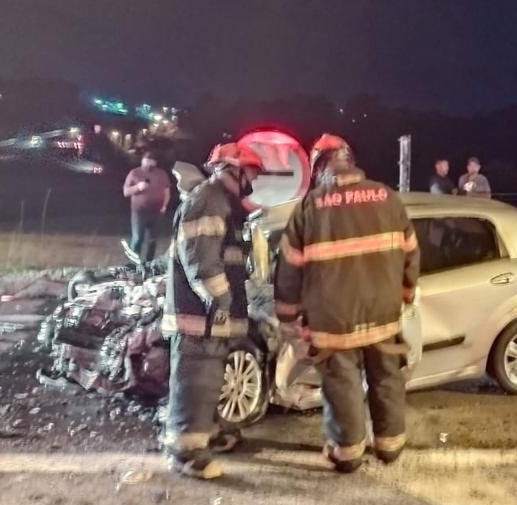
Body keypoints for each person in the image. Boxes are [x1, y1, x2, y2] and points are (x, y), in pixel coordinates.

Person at [274, 134, 420, 474]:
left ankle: (348, 453)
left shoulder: (310, 208)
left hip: (333, 320)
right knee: (386, 377)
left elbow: (289, 270)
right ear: (349, 159)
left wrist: (287, 314)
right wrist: (406, 294)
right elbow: (411, 252)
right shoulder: (387, 197)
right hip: (383, 313)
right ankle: (390, 446)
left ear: (321, 167)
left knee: (343, 384)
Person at [160, 141, 264, 480]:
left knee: (210, 381)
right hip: (199, 317)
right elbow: (201, 263)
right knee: (196, 380)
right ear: (232, 169)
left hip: (213, 317)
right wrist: (218, 301)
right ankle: (186, 452)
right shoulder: (208, 200)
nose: (252, 180)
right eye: (249, 173)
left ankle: (209, 432)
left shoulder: (224, 203)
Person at [122, 150, 172, 262]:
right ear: (142, 161)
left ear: (155, 162)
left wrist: (164, 206)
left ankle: (149, 263)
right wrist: (137, 187)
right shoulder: (134, 173)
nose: (148, 163)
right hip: (139, 212)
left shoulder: (162, 174)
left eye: (151, 161)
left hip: (157, 212)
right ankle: (133, 263)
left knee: (153, 240)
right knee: (138, 239)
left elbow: (167, 192)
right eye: (146, 160)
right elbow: (125, 192)